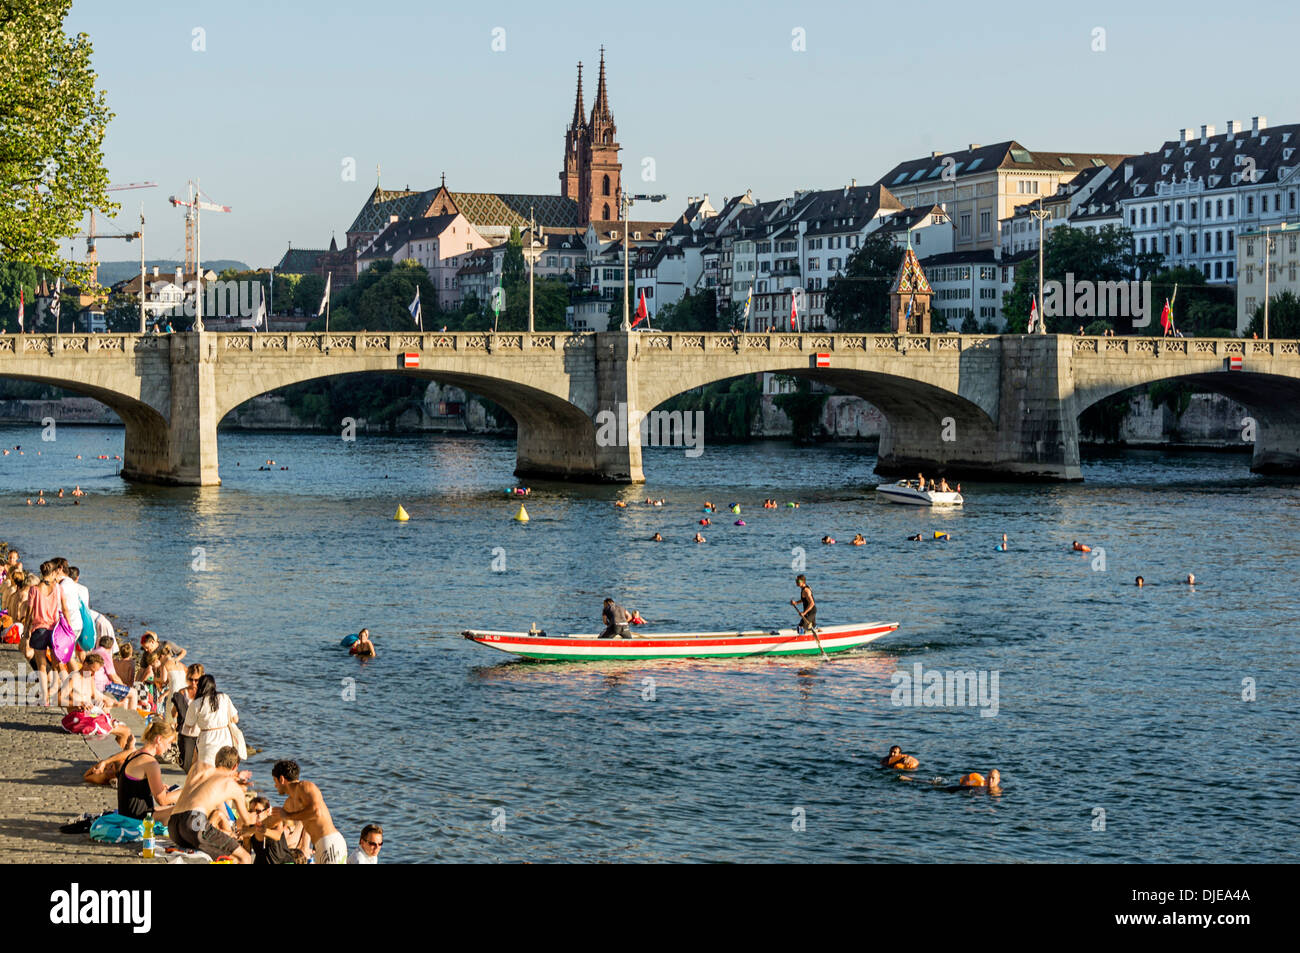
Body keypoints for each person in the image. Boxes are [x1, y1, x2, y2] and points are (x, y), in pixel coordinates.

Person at [169, 746, 255, 862]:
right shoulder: (232, 786)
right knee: (244, 857)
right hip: (194, 822)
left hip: (174, 825)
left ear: (216, 760)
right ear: (235, 767)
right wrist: (263, 814)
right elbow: (247, 820)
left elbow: (213, 778)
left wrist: (235, 776)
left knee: (223, 856)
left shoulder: (198, 767)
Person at [270, 759, 347, 864]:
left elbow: (316, 811)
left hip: (330, 842)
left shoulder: (305, 786)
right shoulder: (290, 802)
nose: (275, 786)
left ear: (282, 779)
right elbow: (275, 819)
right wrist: (251, 829)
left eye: (275, 781)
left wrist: (288, 815)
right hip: (320, 846)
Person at [110, 721, 181, 819]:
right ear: (159, 739)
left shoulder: (134, 754)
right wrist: (185, 792)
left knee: (174, 808)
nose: (169, 747)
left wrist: (157, 787)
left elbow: (135, 787)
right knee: (184, 809)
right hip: (138, 819)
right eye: (169, 742)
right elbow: (162, 801)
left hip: (127, 814)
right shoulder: (150, 763)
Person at [181, 673, 242, 766]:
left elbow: (189, 724)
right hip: (225, 737)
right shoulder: (224, 697)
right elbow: (235, 719)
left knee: (207, 768)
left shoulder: (196, 703)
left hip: (207, 738)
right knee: (224, 767)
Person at [243, 797, 299, 865]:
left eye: (258, 811)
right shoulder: (248, 827)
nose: (254, 814)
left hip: (283, 861)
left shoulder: (274, 822)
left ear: (267, 811)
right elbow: (246, 850)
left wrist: (264, 831)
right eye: (251, 811)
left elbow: (277, 835)